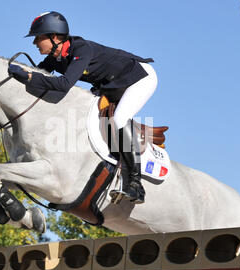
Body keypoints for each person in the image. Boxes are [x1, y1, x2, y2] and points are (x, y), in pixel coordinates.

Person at [8, 11, 158, 204]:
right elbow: (41, 75)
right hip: (113, 85)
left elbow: (63, 85)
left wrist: (28, 77)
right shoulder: (55, 57)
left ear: (54, 37)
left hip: (139, 78)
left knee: (120, 119)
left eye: (38, 38)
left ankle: (136, 184)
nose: (34, 43)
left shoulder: (81, 50)